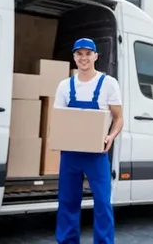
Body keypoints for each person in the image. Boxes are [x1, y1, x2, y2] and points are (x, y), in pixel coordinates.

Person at [53, 38, 124, 244]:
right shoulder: (65, 86)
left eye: (87, 53)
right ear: (74, 57)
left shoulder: (108, 83)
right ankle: (67, 241)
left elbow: (118, 117)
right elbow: (60, 119)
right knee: (67, 202)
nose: (83, 58)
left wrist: (111, 136)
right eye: (79, 54)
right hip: (70, 153)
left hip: (97, 153)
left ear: (95, 56)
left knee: (102, 203)